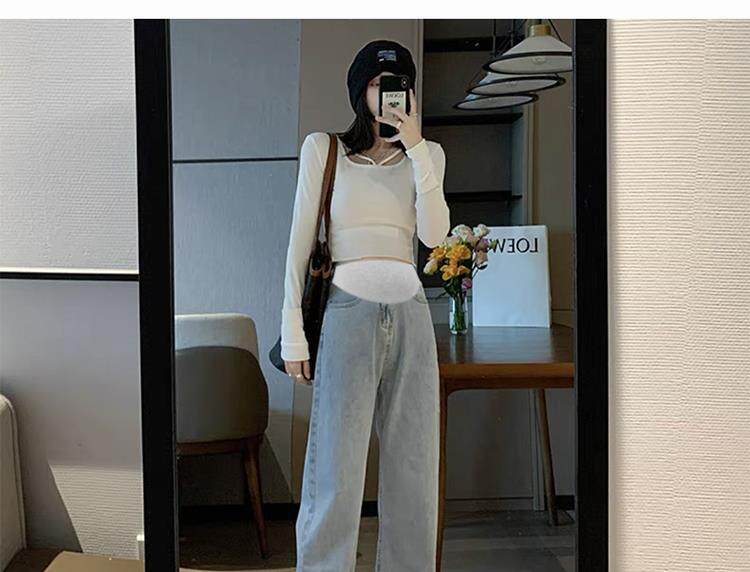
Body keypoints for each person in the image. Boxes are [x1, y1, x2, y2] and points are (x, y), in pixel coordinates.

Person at [280, 39, 451, 571]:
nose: (389, 94)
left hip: (411, 314)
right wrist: (292, 331)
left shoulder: (427, 155)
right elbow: (299, 243)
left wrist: (417, 148)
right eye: (379, 84)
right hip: (346, 312)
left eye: (399, 84)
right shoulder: (324, 150)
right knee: (335, 466)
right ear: (361, 92)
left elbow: (435, 236)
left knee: (415, 467)